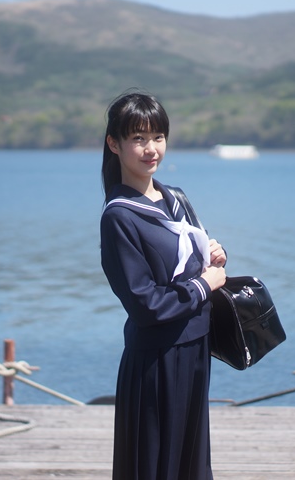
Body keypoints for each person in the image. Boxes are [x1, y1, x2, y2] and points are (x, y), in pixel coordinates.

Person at [100, 91, 227, 480]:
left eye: (158, 137)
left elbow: (192, 260)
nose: (151, 149)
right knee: (155, 466)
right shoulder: (119, 217)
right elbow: (145, 304)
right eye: (138, 139)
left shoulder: (176, 198)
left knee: (191, 463)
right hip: (156, 358)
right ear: (114, 144)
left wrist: (215, 254)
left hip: (196, 348)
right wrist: (204, 286)